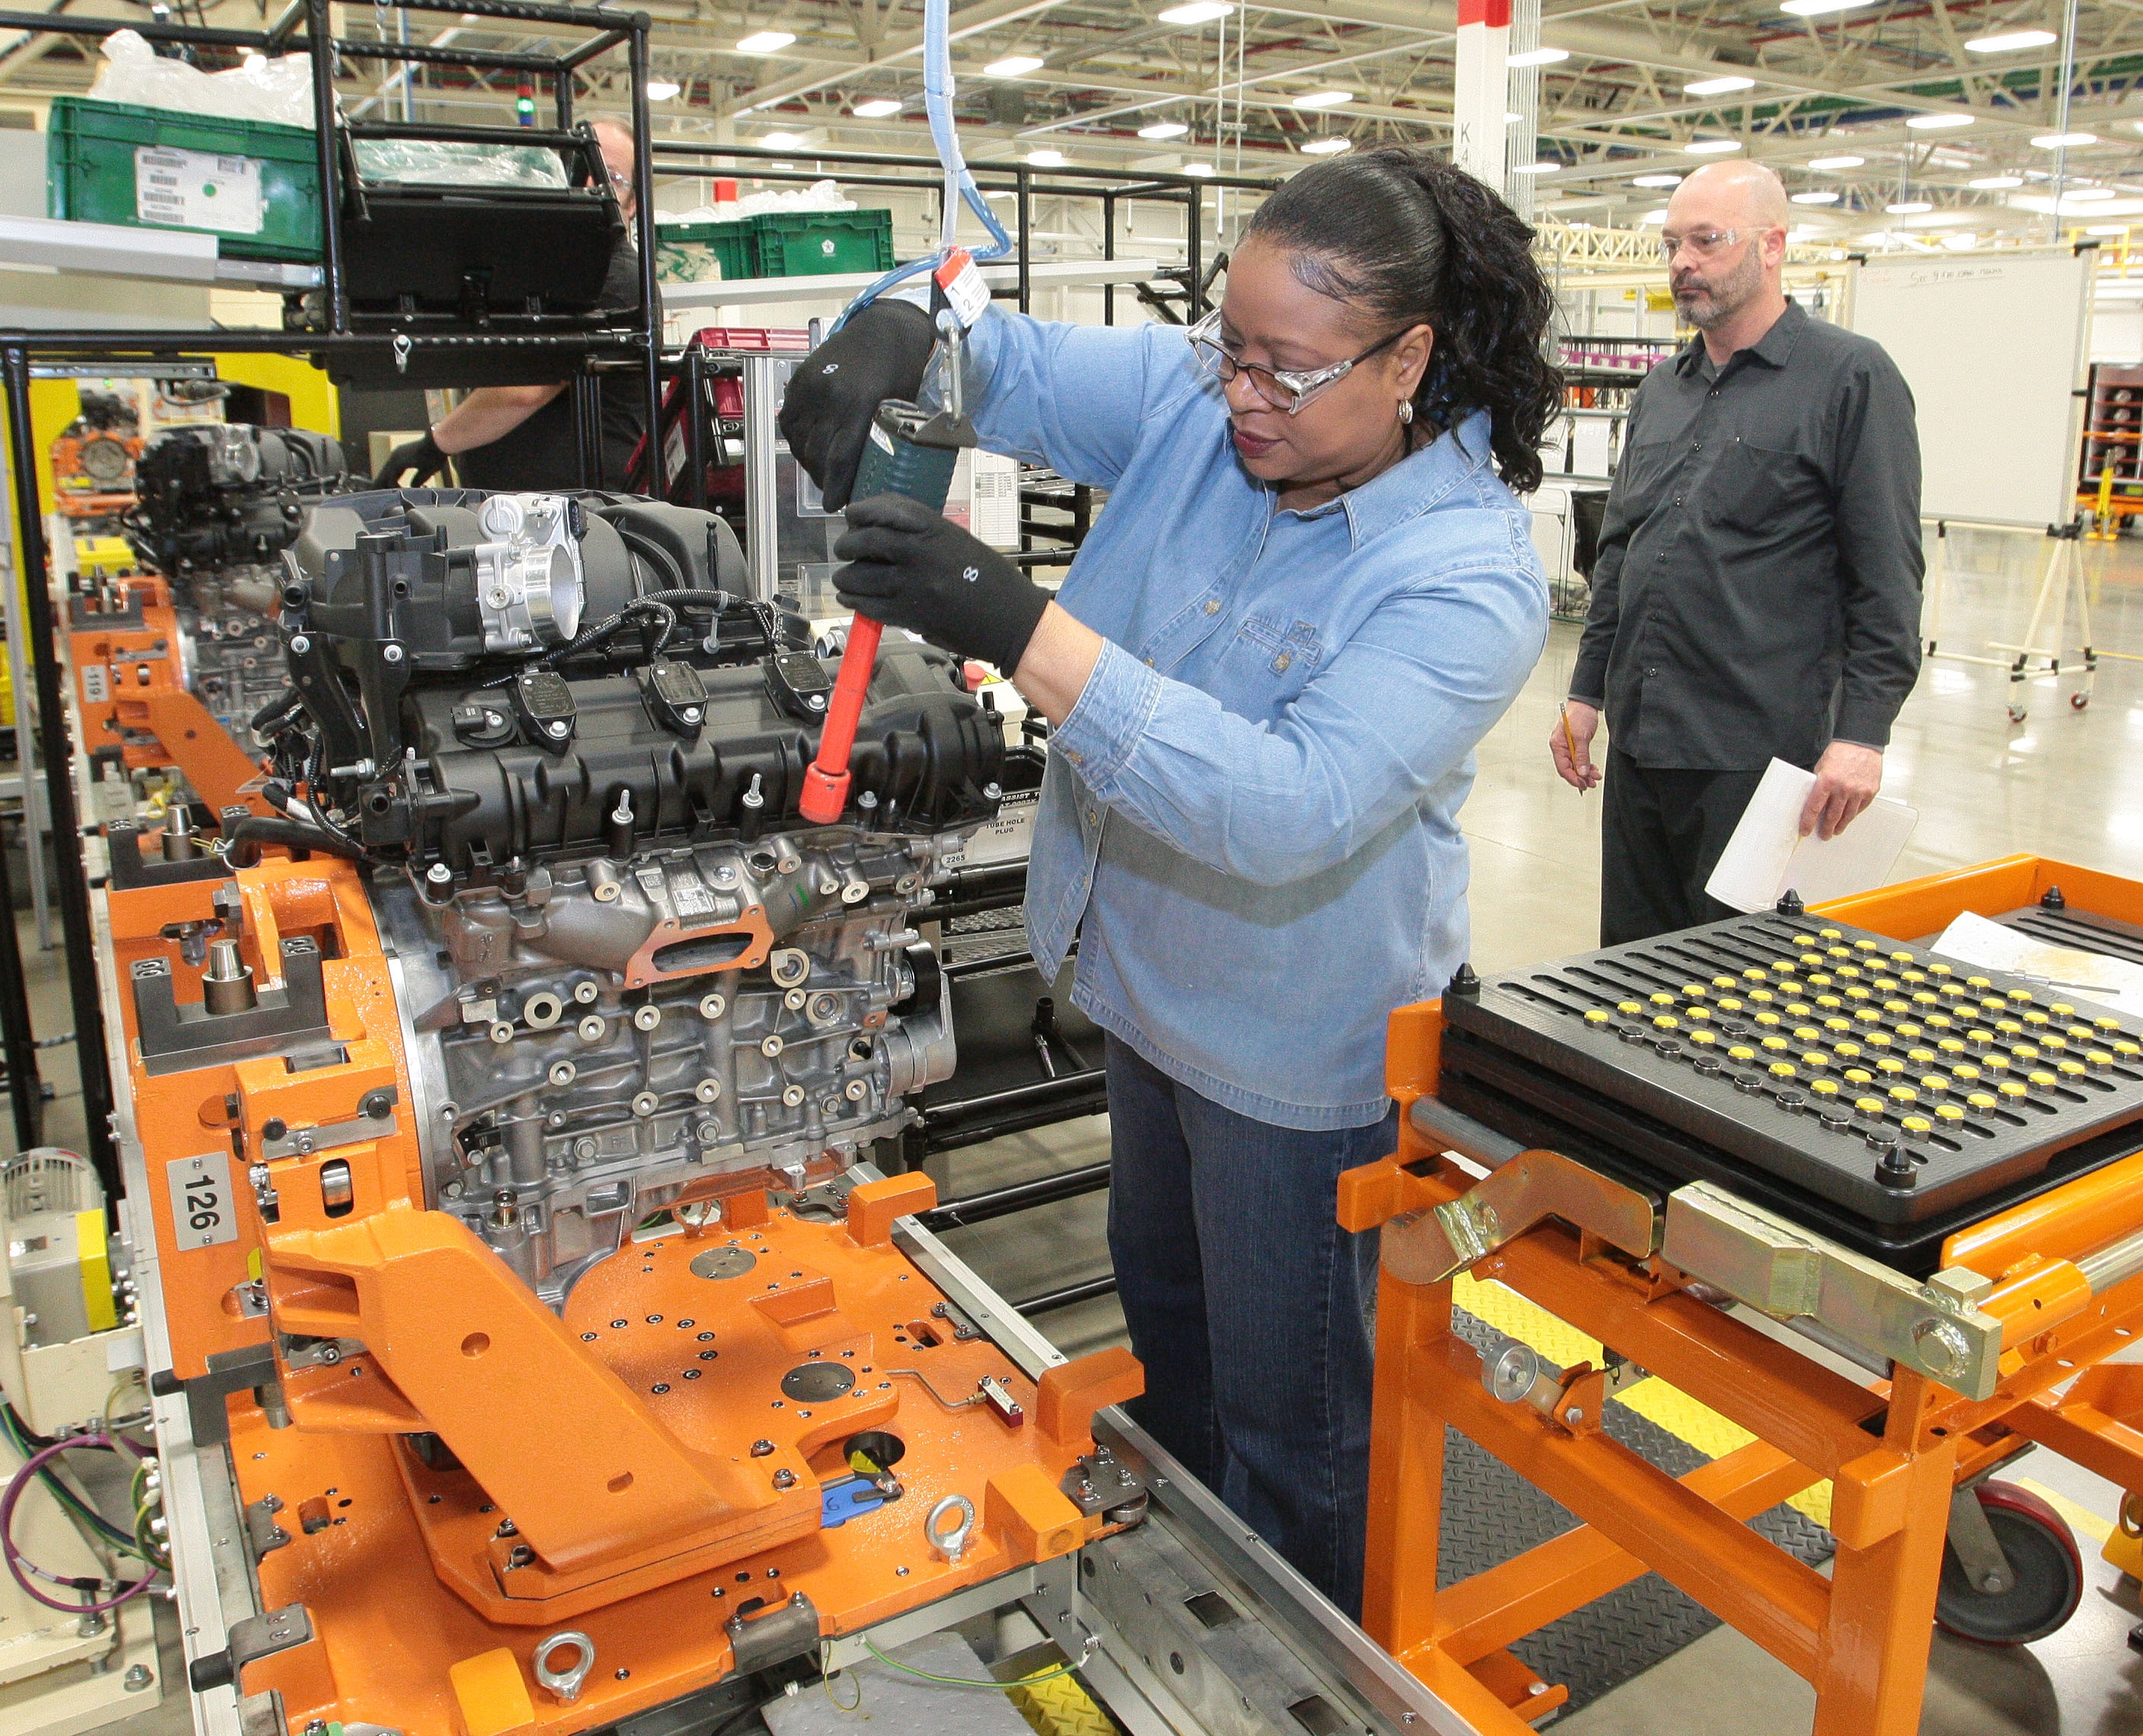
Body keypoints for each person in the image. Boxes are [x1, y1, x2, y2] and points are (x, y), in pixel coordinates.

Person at [779, 146, 1556, 1617]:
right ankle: (1210, 1608)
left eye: (1290, 369)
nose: (1243, 393)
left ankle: (1320, 1664)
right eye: (1232, 349)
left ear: (1410, 360)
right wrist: (891, 337)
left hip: (1293, 1052)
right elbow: (987, 347)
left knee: (1301, 1427)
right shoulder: (1210, 406)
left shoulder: (1466, 576)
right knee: (1178, 1352)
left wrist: (1014, 623)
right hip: (1148, 997)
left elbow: (1288, 810)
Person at [1550, 159, 1923, 947]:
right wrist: (1587, 694)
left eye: (1707, 241)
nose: (1684, 262)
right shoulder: (1663, 388)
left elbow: (1887, 575)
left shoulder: (1850, 377)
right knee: (1633, 973)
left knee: (1740, 987)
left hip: (1760, 758)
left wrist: (1862, 735)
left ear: (1773, 244)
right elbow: (1622, 551)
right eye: (1672, 244)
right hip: (1644, 743)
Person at [372, 116, 648, 492]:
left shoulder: (611, 278)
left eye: (611, 177)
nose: (591, 186)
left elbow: (526, 389)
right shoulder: (557, 272)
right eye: (581, 168)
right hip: (532, 515)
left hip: (582, 517)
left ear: (632, 204)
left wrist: (434, 445)